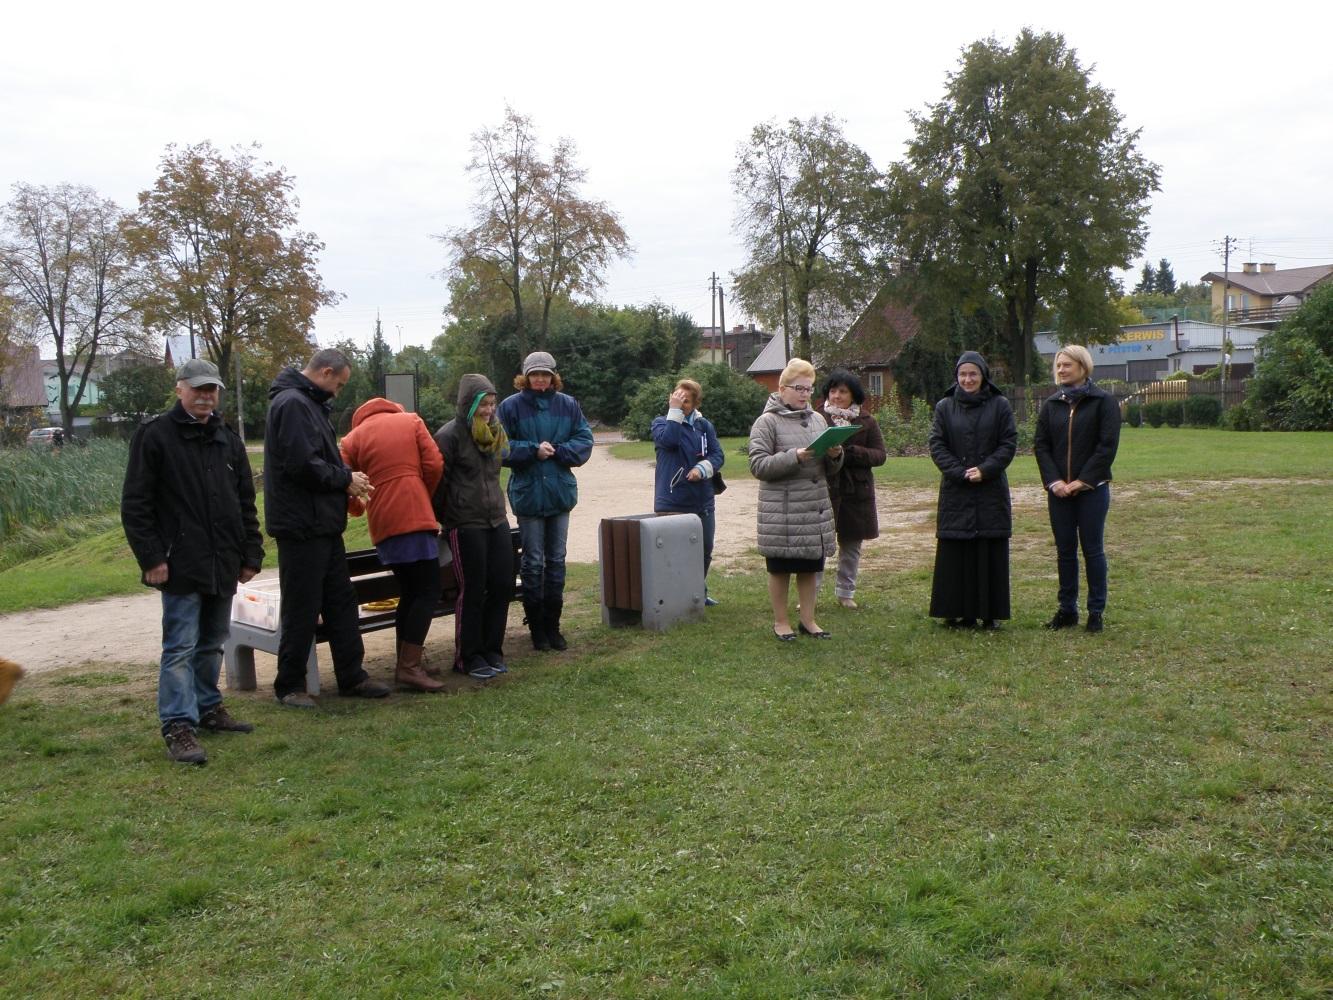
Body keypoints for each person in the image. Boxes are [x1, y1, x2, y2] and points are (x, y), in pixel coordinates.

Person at [120, 358, 264, 764]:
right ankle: (178, 725)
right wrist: (151, 557)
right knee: (180, 646)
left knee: (212, 642)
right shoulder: (155, 436)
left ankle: (208, 707)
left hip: (223, 560)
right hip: (178, 561)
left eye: (212, 389)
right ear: (180, 389)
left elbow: (244, 503)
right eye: (198, 389)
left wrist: (250, 552)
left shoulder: (227, 438)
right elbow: (135, 504)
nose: (205, 396)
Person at [264, 348, 391, 707]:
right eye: (339, 382)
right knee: (302, 607)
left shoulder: (308, 404)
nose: (338, 390)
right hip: (301, 525)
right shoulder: (292, 404)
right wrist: (344, 479)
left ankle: (352, 676)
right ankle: (289, 685)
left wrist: (344, 478)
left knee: (341, 602)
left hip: (323, 524)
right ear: (324, 371)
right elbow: (301, 464)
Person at [339, 397, 446, 693]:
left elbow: (346, 485)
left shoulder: (351, 439)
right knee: (427, 590)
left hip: (383, 520)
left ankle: (408, 661)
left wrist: (359, 508)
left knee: (410, 591)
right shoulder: (410, 420)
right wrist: (421, 491)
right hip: (414, 510)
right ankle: (409, 668)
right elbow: (435, 463)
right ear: (391, 407)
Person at [498, 351, 594, 651]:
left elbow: (584, 439)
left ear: (554, 376)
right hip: (528, 494)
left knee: (556, 559)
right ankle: (536, 627)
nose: (540, 379)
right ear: (525, 377)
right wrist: (531, 450)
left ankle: (554, 624)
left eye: (545, 374)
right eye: (535, 374)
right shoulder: (510, 407)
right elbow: (499, 446)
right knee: (533, 561)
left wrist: (559, 452)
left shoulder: (568, 405)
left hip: (559, 493)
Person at [748, 358, 843, 641]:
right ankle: (781, 622)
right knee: (780, 570)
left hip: (813, 508)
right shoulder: (766, 422)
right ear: (781, 389)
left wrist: (836, 455)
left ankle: (808, 620)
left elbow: (830, 469)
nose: (805, 394)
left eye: (809, 388)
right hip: (782, 511)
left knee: (810, 568)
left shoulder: (817, 419)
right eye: (799, 388)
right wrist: (794, 457)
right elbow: (758, 466)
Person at [1034, 344, 1122, 633]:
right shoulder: (1051, 405)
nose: (1061, 370)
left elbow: (1106, 446)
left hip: (1091, 490)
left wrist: (1082, 481)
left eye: (1067, 365)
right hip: (1059, 492)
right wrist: (1055, 482)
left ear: (1083, 368)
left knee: (1093, 550)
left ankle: (1095, 611)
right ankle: (1067, 609)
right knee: (1065, 551)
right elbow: (1042, 446)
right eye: (1058, 366)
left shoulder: (1104, 402)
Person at [927, 352, 1017, 631]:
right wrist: (958, 472)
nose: (967, 379)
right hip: (957, 489)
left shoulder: (1000, 405)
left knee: (988, 549)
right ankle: (955, 611)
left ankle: (989, 613)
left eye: (973, 374)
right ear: (956, 376)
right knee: (957, 551)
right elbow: (937, 444)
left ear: (983, 376)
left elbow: (1008, 443)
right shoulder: (944, 406)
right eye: (963, 374)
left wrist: (985, 470)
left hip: (990, 490)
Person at [434, 374, 513, 680]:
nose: (489, 410)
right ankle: (468, 656)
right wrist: (448, 516)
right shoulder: (449, 435)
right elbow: (438, 484)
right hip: (464, 523)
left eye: (493, 404)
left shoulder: (494, 432)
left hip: (496, 518)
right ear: (469, 404)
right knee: (473, 588)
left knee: (502, 585)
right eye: (484, 404)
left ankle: (493, 649)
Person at [651, 378, 724, 605]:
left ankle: (696, 592)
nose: (681, 403)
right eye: (677, 398)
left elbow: (718, 455)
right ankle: (675, 596)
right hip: (672, 500)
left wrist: (702, 469)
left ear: (695, 404)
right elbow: (670, 441)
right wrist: (675, 412)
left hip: (703, 499)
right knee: (674, 552)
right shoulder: (661, 423)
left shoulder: (704, 426)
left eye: (686, 401)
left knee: (704, 550)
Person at [818, 368, 887, 610]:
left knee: (851, 544)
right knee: (819, 545)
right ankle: (811, 594)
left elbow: (880, 455)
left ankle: (845, 592)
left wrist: (852, 453)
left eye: (843, 392)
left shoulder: (866, 421)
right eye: (833, 390)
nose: (836, 396)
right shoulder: (816, 417)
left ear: (853, 395)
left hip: (856, 491)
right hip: (825, 488)